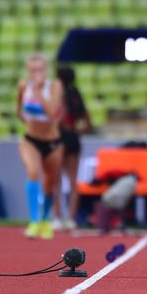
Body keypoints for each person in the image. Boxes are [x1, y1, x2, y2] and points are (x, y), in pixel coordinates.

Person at [16, 53, 64, 239]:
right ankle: (34, 221)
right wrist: (28, 121)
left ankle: (45, 220)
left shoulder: (55, 86)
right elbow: (18, 110)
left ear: (46, 70)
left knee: (50, 184)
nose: (36, 73)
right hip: (31, 139)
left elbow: (52, 112)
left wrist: (37, 92)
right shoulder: (23, 86)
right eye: (32, 70)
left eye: (39, 70)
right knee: (33, 171)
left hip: (52, 142)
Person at [52, 65, 91, 231]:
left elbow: (56, 117)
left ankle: (57, 218)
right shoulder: (76, 94)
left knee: (56, 180)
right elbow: (88, 122)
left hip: (59, 137)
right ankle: (71, 218)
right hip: (73, 137)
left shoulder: (58, 95)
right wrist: (76, 130)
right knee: (73, 180)